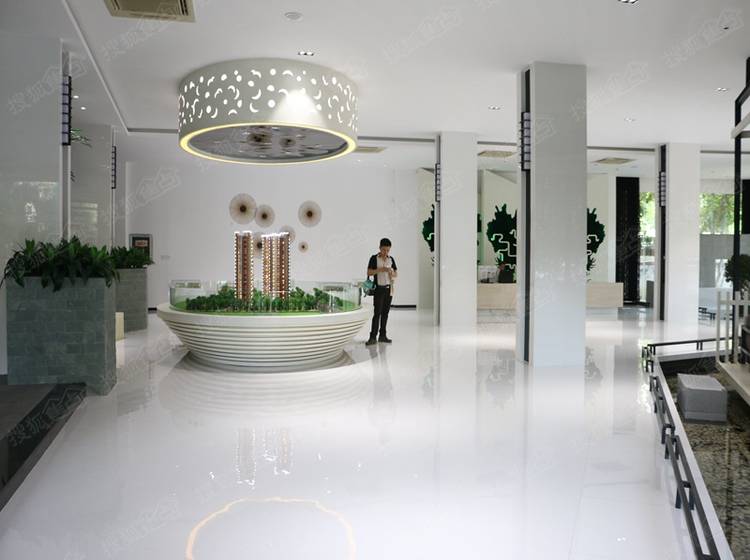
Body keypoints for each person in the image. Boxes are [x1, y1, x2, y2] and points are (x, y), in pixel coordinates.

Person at [366, 238, 397, 345]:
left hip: (389, 289)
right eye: (384, 250)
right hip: (379, 289)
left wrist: (392, 273)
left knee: (385, 313)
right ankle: (372, 337)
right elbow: (369, 272)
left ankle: (382, 336)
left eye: (388, 250)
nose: (386, 252)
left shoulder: (391, 259)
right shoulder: (374, 258)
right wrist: (381, 270)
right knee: (377, 313)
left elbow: (396, 274)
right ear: (379, 248)